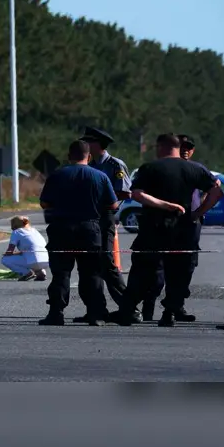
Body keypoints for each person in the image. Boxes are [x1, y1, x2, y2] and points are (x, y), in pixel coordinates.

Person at [112, 133, 223, 327]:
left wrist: (165, 205)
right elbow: (216, 191)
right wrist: (197, 213)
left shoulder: (150, 168)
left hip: (153, 227)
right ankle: (170, 312)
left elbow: (137, 194)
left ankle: (128, 310)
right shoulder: (195, 169)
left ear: (161, 147)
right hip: (184, 229)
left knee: (142, 270)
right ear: (178, 147)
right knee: (179, 272)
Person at [37, 140, 119, 326]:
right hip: (90, 231)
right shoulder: (99, 176)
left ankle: (56, 313)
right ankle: (95, 313)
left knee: (61, 273)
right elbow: (113, 204)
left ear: (69, 156)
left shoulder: (57, 175)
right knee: (91, 273)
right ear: (89, 157)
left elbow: (44, 203)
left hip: (61, 230)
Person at [141, 134, 209, 320]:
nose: (186, 150)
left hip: (190, 224)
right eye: (183, 146)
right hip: (162, 223)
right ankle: (149, 306)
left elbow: (213, 189)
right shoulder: (164, 168)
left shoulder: (196, 169)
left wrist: (199, 210)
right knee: (157, 268)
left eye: (190, 147)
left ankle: (176, 307)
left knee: (185, 267)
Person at [80, 126, 139, 323]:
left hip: (105, 217)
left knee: (106, 263)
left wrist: (101, 201)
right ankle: (96, 310)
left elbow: (125, 193)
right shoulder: (88, 164)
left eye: (89, 141)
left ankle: (129, 308)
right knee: (90, 265)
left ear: (99, 145)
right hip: (88, 219)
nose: (86, 145)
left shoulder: (115, 165)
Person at [1, 216, 49, 281]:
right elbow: (30, 248)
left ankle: (26, 273)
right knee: (32, 255)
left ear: (15, 224)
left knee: (5, 259)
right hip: (46, 261)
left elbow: (10, 250)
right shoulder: (34, 231)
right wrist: (17, 253)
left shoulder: (17, 232)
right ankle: (41, 272)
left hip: (34, 262)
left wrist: (7, 254)